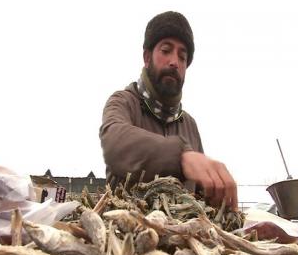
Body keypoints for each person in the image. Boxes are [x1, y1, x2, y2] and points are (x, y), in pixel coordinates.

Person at [99, 11, 238, 210]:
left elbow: (202, 197)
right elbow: (114, 142)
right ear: (147, 57)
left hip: (180, 236)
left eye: (182, 57)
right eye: (166, 50)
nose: (174, 62)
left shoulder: (189, 125)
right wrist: (180, 156)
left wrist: (221, 200)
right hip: (123, 233)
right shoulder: (123, 101)